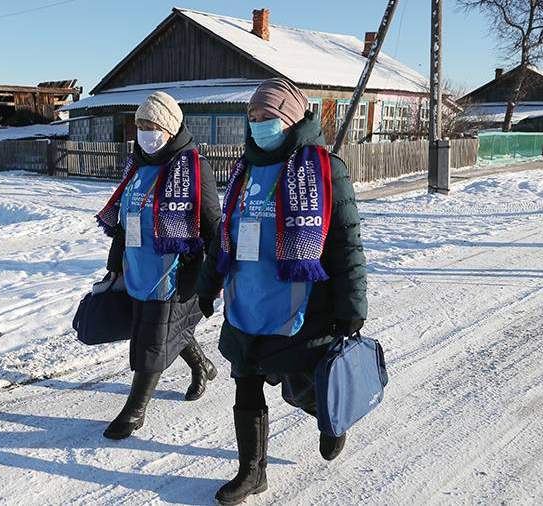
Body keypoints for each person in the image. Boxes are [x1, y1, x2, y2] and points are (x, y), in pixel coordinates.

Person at [196, 78, 368, 505]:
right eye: (252, 117)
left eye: (267, 117)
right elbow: (225, 236)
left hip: (300, 306)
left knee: (302, 387)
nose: (258, 124)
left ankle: (330, 419)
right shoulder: (244, 169)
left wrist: (352, 305)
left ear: (290, 119)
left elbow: (346, 242)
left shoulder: (326, 170)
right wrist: (207, 284)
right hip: (246, 299)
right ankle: (252, 473)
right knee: (246, 381)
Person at [96, 91, 222, 440]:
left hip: (173, 275)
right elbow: (124, 222)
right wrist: (114, 266)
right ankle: (202, 366)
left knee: (153, 340)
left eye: (151, 125)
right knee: (164, 331)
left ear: (168, 128)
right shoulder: (137, 167)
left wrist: (214, 275)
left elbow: (213, 225)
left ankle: (134, 412)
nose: (144, 132)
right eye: (139, 125)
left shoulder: (194, 168)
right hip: (138, 271)